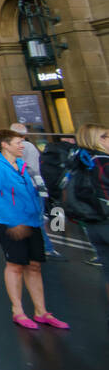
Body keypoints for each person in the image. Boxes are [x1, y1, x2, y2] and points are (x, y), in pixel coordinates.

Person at [0, 128, 68, 330]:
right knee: (15, 265)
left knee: (34, 265)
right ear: (5, 144)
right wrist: (14, 222)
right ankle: (18, 311)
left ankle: (41, 311)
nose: (23, 145)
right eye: (18, 142)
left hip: (31, 221)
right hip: (10, 222)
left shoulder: (22, 165)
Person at [72, 125, 109, 323]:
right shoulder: (104, 162)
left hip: (93, 224)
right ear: (100, 139)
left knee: (108, 271)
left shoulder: (82, 162)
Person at [9, 123, 62, 259]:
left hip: (29, 186)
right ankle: (43, 247)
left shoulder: (25, 147)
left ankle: (43, 246)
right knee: (32, 218)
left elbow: (31, 168)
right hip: (29, 186)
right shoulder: (25, 147)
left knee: (32, 217)